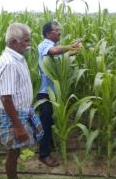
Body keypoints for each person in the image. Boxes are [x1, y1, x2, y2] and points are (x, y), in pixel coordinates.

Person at [0, 23, 43, 179]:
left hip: (21, 111)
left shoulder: (17, 58)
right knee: (13, 153)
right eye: (26, 41)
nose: (29, 45)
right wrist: (19, 127)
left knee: (16, 150)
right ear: (13, 42)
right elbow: (6, 98)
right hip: (13, 116)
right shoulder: (9, 63)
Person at [37, 21, 82, 167]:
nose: (59, 32)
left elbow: (65, 55)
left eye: (59, 30)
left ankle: (50, 147)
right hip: (45, 93)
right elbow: (54, 52)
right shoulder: (44, 45)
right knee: (45, 123)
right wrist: (70, 46)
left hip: (54, 93)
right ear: (48, 34)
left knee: (50, 122)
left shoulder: (56, 47)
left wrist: (76, 49)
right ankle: (44, 155)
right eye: (57, 30)